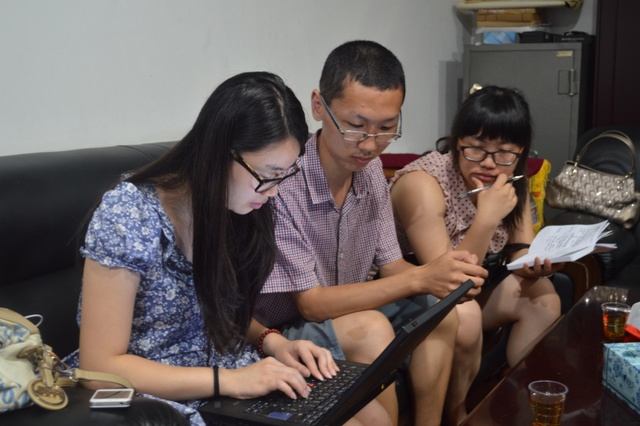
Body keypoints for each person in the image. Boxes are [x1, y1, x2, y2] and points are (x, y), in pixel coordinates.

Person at [64, 72, 388, 426]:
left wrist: (274, 343)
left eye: (284, 175)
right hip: (163, 394)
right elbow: (99, 367)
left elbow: (219, 314)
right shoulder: (129, 213)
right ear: (219, 155)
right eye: (268, 174)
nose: (274, 192)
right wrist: (230, 381)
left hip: (229, 374)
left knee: (372, 414)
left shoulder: (236, 207)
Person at [253, 41, 487, 426]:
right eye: (356, 126)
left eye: (386, 129)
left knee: (442, 311)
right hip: (284, 329)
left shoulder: (371, 170)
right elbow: (311, 304)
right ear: (318, 106)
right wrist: (421, 278)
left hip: (347, 308)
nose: (369, 145)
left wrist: (442, 275)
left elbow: (392, 266)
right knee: (373, 326)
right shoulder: (285, 181)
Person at [390, 85, 562, 424]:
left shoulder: (509, 178)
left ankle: (522, 400)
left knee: (543, 297)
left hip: (475, 287)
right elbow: (450, 282)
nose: (488, 163)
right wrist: (486, 218)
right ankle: (458, 413)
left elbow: (520, 249)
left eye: (504, 153)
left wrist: (538, 265)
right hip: (420, 295)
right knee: (465, 313)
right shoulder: (422, 184)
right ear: (458, 142)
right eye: (476, 149)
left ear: (520, 153)